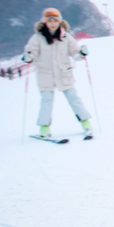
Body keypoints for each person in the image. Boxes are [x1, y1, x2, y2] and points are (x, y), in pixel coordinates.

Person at [22, 8, 93, 139]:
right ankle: (44, 129)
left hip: (63, 74)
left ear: (60, 21)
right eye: (49, 21)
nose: (53, 24)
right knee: (46, 101)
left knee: (74, 98)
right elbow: (32, 53)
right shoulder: (37, 38)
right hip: (45, 75)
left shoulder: (66, 37)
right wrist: (29, 57)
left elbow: (75, 53)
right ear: (44, 22)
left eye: (55, 21)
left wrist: (81, 54)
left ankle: (86, 123)